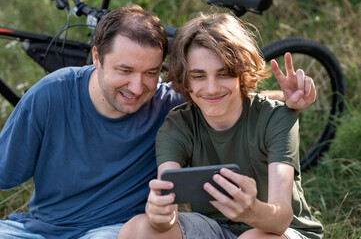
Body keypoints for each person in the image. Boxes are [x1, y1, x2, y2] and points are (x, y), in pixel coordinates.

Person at [0, 4, 315, 239]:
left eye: (150, 73)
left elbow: (226, 95)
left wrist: (289, 98)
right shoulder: (51, 95)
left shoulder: (165, 103)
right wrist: (161, 213)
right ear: (96, 57)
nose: (137, 88)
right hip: (36, 229)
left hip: (108, 231)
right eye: (124, 70)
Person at [118, 12, 323, 239]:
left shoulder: (275, 117)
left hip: (281, 231)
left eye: (223, 74)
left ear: (241, 72)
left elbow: (281, 217)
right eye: (199, 76)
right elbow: (168, 203)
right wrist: (160, 214)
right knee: (138, 229)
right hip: (215, 228)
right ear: (185, 78)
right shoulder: (178, 124)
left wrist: (252, 210)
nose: (212, 88)